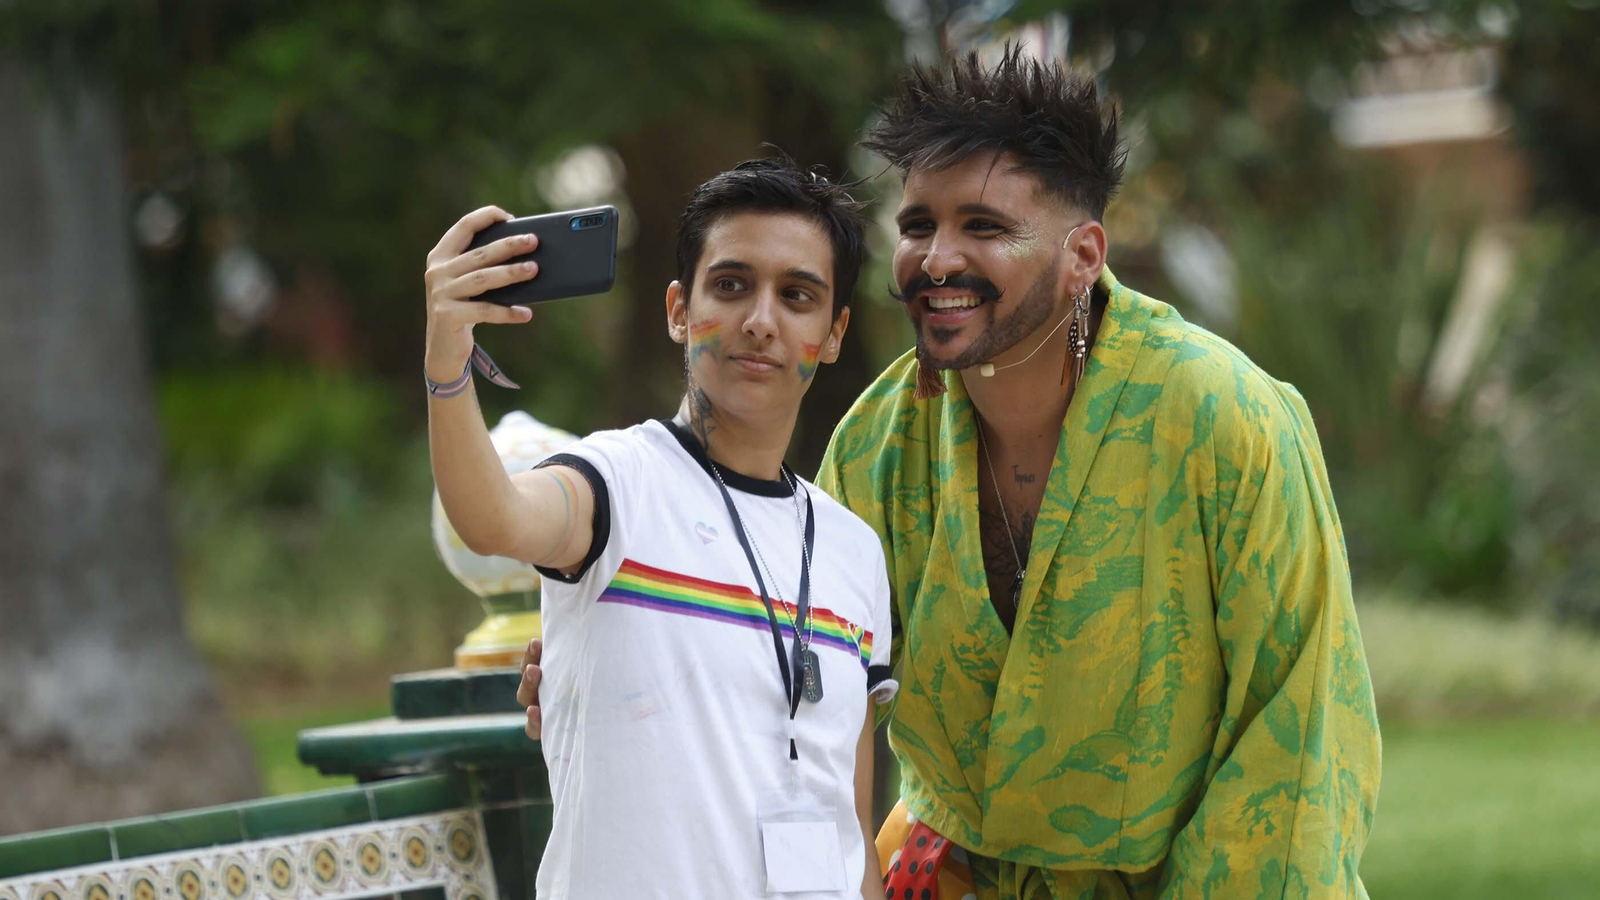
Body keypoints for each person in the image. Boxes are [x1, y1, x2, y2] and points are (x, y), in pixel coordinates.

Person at [813, 48, 1382, 899]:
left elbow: (1297, 737)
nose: (935, 260)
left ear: (1083, 256)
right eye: (919, 224)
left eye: (985, 226)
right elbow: (807, 694)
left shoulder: (1224, 417)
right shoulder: (874, 446)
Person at [429, 159, 896, 899]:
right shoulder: (619, 481)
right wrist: (447, 362)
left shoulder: (852, 551)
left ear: (834, 332)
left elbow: (849, 822)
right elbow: (493, 519)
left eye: (798, 296)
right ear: (680, 309)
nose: (762, 321)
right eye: (732, 285)